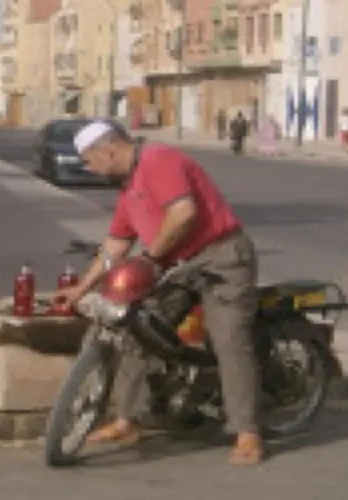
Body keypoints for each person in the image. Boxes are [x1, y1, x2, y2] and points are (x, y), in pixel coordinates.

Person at [55, 121, 264, 465]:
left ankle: (247, 432)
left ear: (109, 150)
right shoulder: (129, 188)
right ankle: (127, 419)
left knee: (228, 338)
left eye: (89, 161)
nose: (88, 169)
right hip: (178, 264)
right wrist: (80, 288)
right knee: (136, 325)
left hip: (221, 257)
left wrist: (150, 259)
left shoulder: (158, 159)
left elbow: (183, 214)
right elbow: (116, 245)